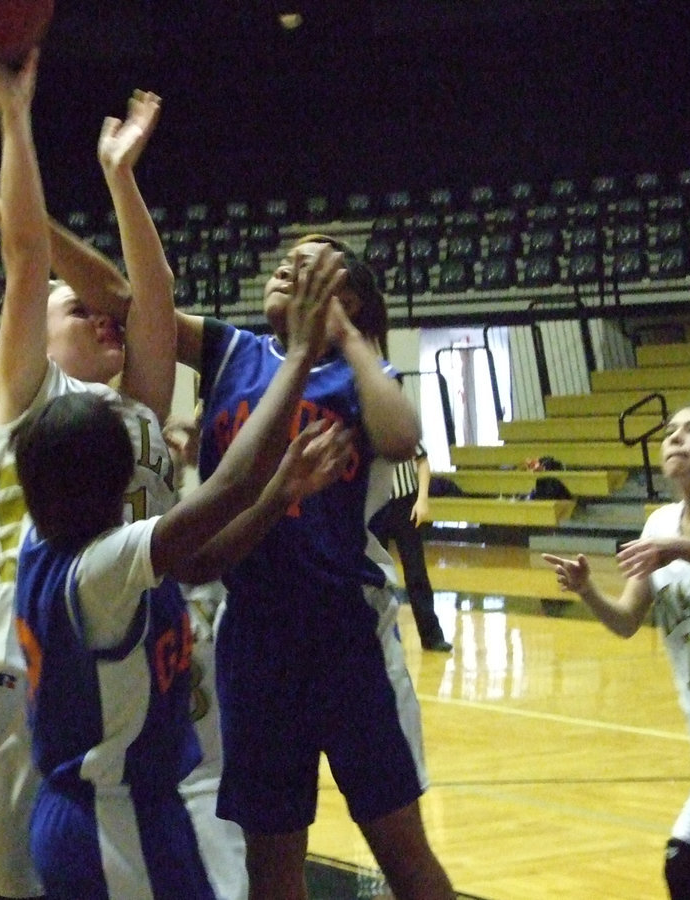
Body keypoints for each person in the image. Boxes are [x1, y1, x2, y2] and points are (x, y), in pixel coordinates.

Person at [11, 238, 352, 898]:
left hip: (131, 805)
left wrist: (280, 494)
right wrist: (302, 354)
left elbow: (203, 561)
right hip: (110, 818)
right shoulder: (102, 565)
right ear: (111, 481)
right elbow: (227, 486)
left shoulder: (52, 538)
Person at [0, 45, 182, 900]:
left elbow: (147, 298)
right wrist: (14, 119)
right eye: (81, 312)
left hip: (130, 676)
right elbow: (30, 257)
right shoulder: (34, 396)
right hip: (18, 682)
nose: (104, 319)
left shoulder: (140, 405)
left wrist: (120, 178)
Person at [175, 234, 455, 899]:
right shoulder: (233, 352)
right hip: (252, 634)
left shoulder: (353, 378)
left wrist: (348, 337)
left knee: (400, 849)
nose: (282, 267)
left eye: (307, 266)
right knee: (270, 861)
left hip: (341, 634)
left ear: (346, 297)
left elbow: (403, 438)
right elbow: (132, 303)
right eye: (282, 260)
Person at [543, 401, 690, 900]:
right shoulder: (659, 525)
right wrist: (587, 591)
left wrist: (680, 551)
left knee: (685, 859)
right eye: (670, 432)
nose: (676, 439)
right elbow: (626, 622)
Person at [369, 441, 452, 652]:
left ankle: (431, 635)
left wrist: (422, 499)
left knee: (416, 571)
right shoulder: (361, 427)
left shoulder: (401, 424)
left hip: (405, 503)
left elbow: (422, 461)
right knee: (375, 574)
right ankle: (376, 638)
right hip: (374, 506)